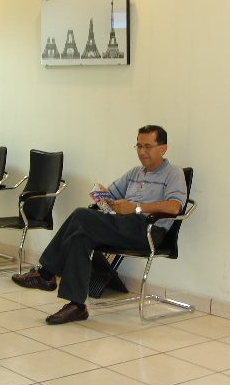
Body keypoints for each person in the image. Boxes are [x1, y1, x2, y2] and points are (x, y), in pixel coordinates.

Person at [11, 125, 187, 324]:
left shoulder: (173, 174)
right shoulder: (135, 173)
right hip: (123, 225)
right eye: (138, 146)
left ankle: (45, 274)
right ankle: (77, 306)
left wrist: (136, 208)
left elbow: (174, 207)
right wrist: (104, 196)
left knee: (80, 215)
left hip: (148, 231)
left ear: (163, 148)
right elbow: (111, 195)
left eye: (148, 146)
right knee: (81, 237)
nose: (142, 152)